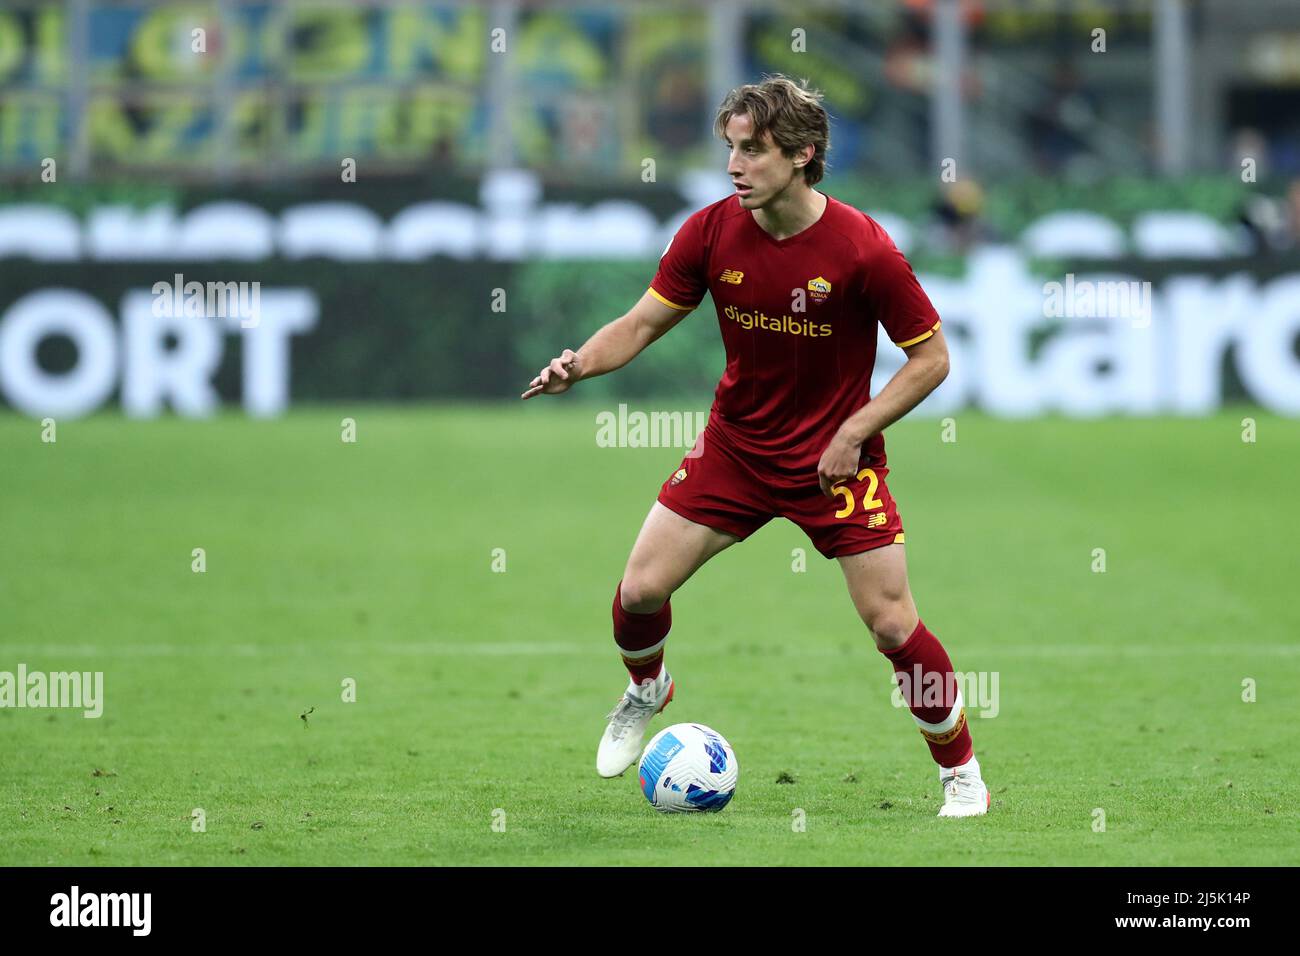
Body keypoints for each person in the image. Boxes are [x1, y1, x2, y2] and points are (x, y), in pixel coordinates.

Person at [521, 74, 989, 817]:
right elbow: (641, 324)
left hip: (835, 466)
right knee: (639, 592)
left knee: (894, 624)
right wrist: (579, 362)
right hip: (736, 452)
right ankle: (648, 689)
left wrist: (855, 433)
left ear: (803, 155)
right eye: (730, 149)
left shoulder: (864, 250)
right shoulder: (710, 231)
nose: (734, 166)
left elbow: (932, 359)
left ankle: (960, 771)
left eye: (753, 150)